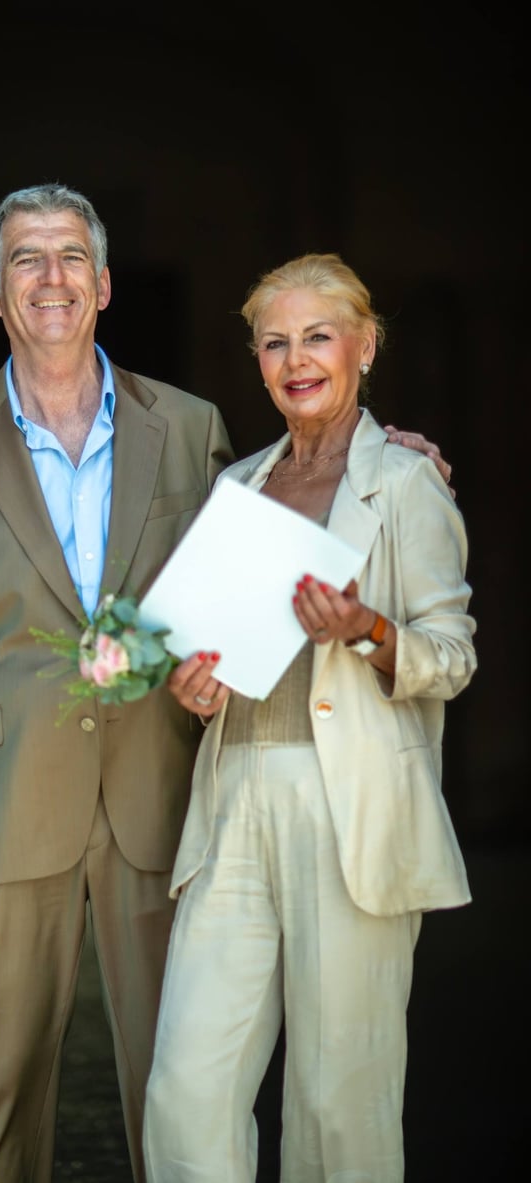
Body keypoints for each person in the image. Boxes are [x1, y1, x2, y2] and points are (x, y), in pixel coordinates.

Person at [0, 185, 454, 1183]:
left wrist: (387, 454)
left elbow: (272, 536)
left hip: (167, 804)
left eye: (71, 256)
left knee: (179, 1100)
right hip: (4, 816)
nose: (51, 277)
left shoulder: (191, 429)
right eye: (26, 258)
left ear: (104, 285)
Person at [142, 252, 477, 1183]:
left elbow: (453, 655)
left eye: (317, 337)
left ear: (364, 347)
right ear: (255, 360)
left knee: (338, 1103)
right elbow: (202, 654)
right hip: (233, 800)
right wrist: (192, 688)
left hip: (350, 809)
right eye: (274, 342)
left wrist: (368, 629)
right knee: (186, 1088)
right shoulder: (239, 488)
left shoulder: (407, 481)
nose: (297, 359)